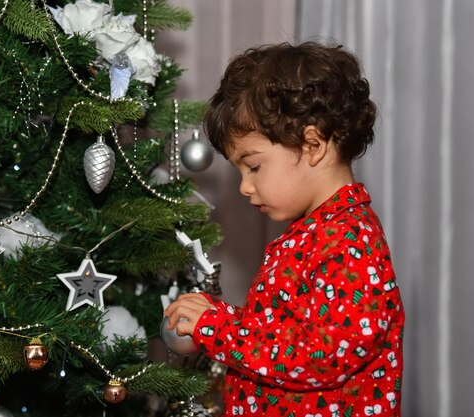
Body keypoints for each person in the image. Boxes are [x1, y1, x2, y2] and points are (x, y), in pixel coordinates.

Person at [164, 41, 405, 417]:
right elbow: (283, 332)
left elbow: (321, 355)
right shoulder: (313, 231)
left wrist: (219, 327)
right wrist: (225, 316)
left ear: (312, 145)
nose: (244, 186)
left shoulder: (349, 240)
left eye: (254, 166)